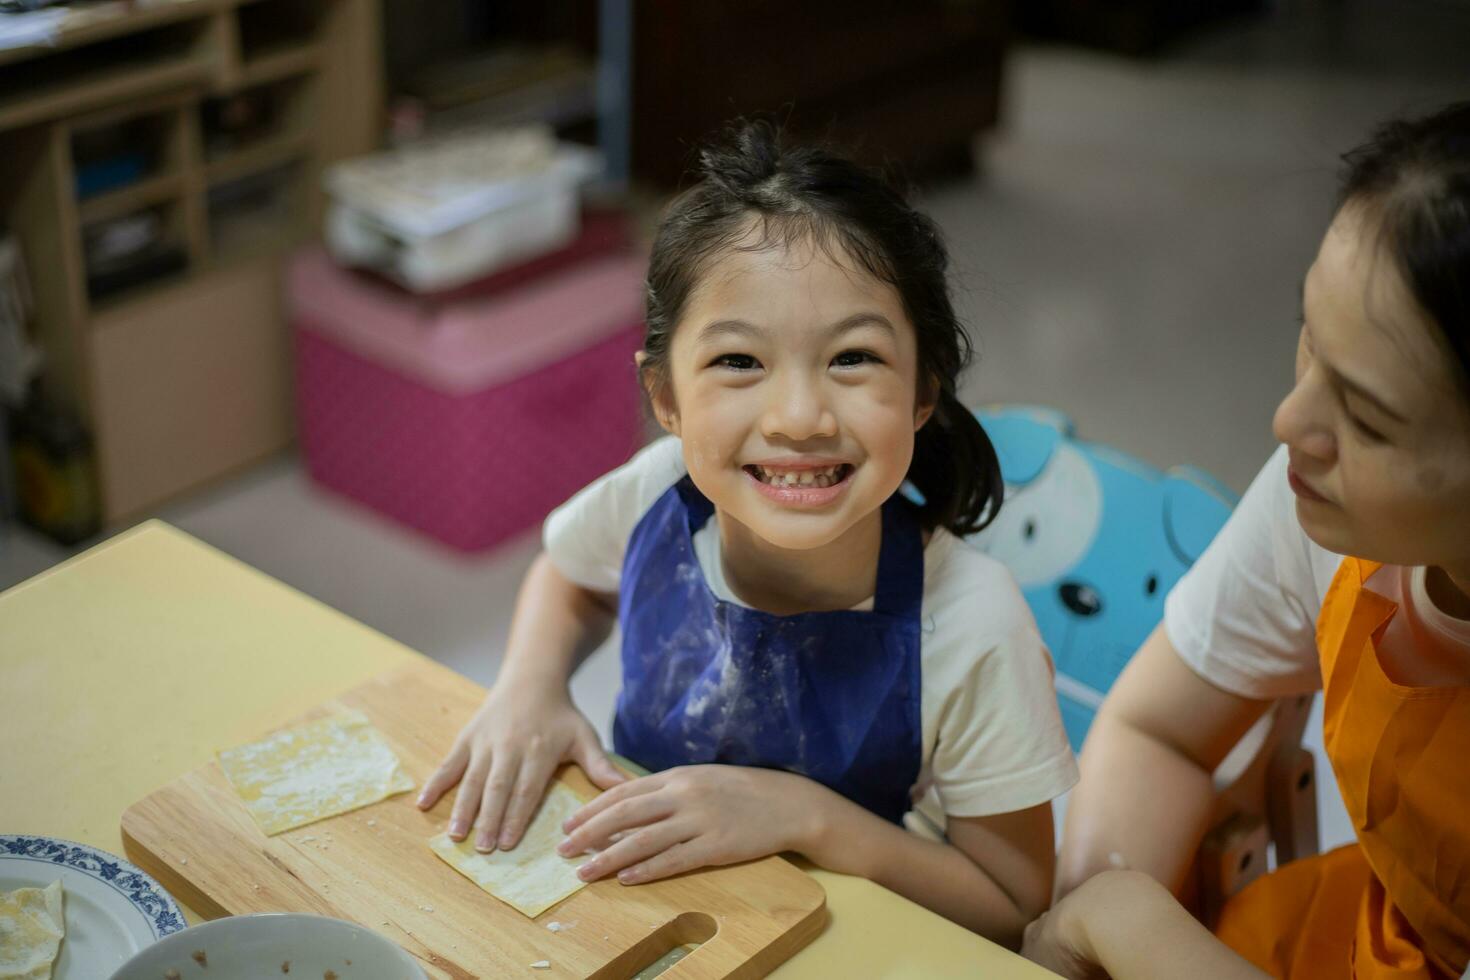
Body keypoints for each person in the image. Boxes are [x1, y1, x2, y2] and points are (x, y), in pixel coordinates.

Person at [416, 120, 1077, 944]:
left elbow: (1016, 903)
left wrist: (804, 817)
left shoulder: (973, 623)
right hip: (640, 923)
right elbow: (569, 574)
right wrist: (529, 688)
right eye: (739, 362)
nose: (799, 419)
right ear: (666, 399)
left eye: (852, 358)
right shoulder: (658, 495)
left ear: (920, 395)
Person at [1033, 101, 1470, 978]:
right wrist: (1084, 919)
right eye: (1310, 340)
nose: (1288, 423)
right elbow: (1161, 728)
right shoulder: (1330, 502)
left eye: (1369, 421)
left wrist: (1122, 921)